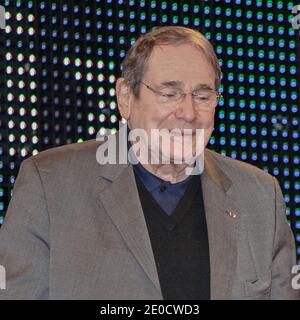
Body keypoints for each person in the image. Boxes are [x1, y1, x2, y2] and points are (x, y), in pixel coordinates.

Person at [0, 26, 298, 300]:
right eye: (170, 94)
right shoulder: (50, 185)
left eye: (204, 96)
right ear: (126, 97)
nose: (189, 112)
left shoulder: (260, 196)